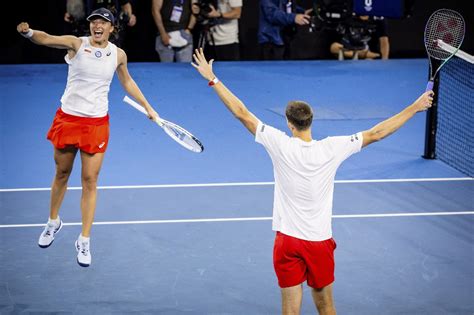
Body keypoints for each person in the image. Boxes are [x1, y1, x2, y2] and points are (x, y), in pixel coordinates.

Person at [191, 48, 433, 314]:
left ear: (289, 124)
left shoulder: (279, 144)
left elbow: (242, 113)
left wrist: (212, 79)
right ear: (310, 121)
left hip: (288, 242)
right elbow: (377, 133)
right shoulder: (333, 147)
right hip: (319, 242)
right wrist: (416, 106)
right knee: (326, 306)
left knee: (290, 311)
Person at [16, 8, 159, 267]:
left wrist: (148, 106)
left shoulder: (118, 54)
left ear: (112, 28)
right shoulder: (76, 44)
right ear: (90, 26)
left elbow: (127, 81)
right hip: (69, 118)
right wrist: (28, 33)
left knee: (90, 180)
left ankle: (84, 239)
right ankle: (53, 222)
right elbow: (47, 38)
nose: (98, 25)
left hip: (96, 123)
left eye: (104, 22)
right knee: (62, 173)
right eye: (94, 21)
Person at [64, 0, 137, 48]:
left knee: (111, 51)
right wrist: (71, 13)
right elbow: (74, 4)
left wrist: (129, 16)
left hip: (112, 25)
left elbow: (125, 4)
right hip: (88, 25)